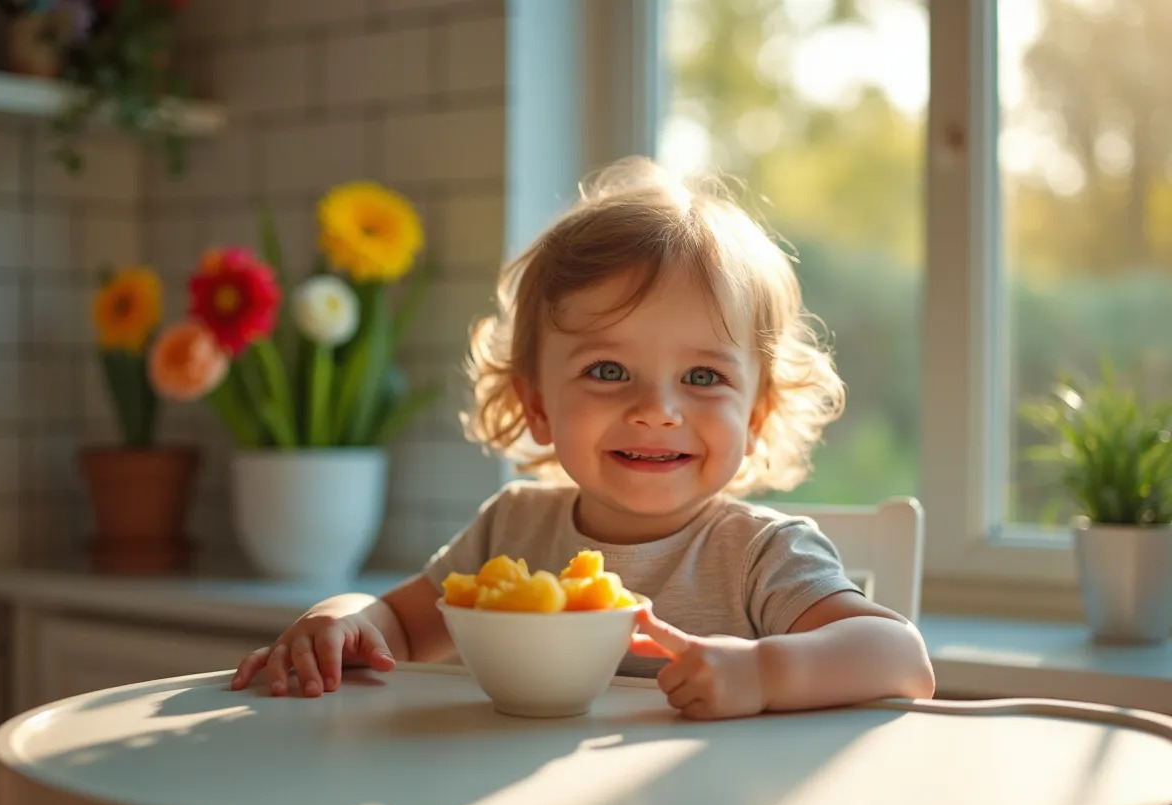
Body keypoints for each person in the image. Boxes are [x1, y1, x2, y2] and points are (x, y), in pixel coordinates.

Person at [231, 157, 935, 720]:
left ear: (755, 415)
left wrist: (763, 672)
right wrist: (337, 619)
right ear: (536, 404)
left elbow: (900, 658)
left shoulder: (761, 556)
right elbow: (402, 628)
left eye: (701, 375)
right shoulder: (512, 528)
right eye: (608, 370)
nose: (657, 409)